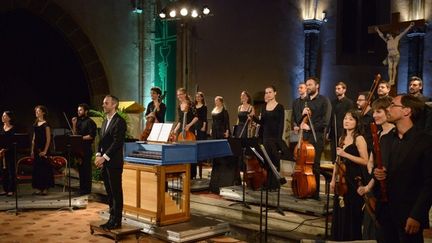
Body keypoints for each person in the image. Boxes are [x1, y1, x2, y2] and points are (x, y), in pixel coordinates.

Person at [374, 94, 432, 243]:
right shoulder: (385, 139)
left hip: (409, 216)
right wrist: (378, 174)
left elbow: (430, 183)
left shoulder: (425, 141)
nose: (388, 108)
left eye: (393, 105)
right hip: (386, 214)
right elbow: (383, 170)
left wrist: (416, 215)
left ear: (407, 111)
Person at [357, 96, 394, 240]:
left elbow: (386, 165)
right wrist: (370, 165)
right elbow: (373, 158)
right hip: (378, 186)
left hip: (390, 187)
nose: (374, 115)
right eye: (373, 112)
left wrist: (368, 186)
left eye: (379, 112)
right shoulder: (378, 133)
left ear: (388, 112)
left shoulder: (394, 133)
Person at [330, 110, 369, 241]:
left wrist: (345, 154)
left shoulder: (359, 138)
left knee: (351, 214)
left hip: (353, 181)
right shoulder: (341, 138)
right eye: (345, 118)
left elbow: (365, 160)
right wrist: (332, 179)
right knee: (340, 213)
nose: (347, 121)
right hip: (341, 180)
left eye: (351, 119)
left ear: (357, 122)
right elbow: (337, 161)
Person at [95, 95, 127, 230]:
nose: (103, 105)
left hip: (114, 162)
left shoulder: (119, 121)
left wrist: (105, 157)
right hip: (105, 161)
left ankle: (117, 221)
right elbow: (101, 140)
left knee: (116, 192)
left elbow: (117, 143)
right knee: (109, 192)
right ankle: (111, 219)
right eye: (103, 103)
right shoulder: (105, 121)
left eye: (106, 103)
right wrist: (98, 154)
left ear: (114, 105)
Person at [252, 86, 285, 191]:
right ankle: (267, 184)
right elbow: (262, 123)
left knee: (275, 161)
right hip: (265, 137)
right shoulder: (263, 107)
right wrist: (253, 118)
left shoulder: (280, 107)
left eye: (270, 92)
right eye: (266, 92)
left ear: (275, 93)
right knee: (267, 161)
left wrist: (278, 141)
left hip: (275, 138)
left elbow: (281, 125)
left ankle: (275, 185)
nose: (268, 94)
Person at [301, 77, 329, 199]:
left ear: (317, 86)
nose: (308, 87)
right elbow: (299, 120)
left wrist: (309, 127)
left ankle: (314, 192)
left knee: (314, 165)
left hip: (317, 136)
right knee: (304, 164)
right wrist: (302, 118)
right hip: (305, 136)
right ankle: (305, 188)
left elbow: (325, 121)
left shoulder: (324, 100)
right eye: (306, 85)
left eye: (310, 84)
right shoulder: (305, 101)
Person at [209, 96, 234, 193]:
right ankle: (215, 162)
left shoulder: (224, 111)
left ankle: (221, 163)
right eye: (215, 100)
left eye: (217, 101)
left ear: (221, 101)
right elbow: (213, 121)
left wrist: (227, 131)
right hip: (214, 130)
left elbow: (227, 122)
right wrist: (211, 129)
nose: (215, 102)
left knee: (220, 147)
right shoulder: (214, 109)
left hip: (221, 130)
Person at [71, 103, 97, 195]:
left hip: (86, 149)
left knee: (86, 170)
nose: (78, 112)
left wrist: (80, 138)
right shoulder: (78, 121)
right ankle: (81, 189)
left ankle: (87, 190)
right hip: (79, 149)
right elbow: (75, 135)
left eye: (80, 110)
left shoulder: (90, 122)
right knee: (80, 170)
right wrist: (74, 124)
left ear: (86, 111)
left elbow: (91, 136)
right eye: (78, 110)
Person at [327, 81, 355, 162]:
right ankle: (334, 168)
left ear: (344, 90)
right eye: (336, 89)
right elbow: (330, 117)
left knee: (343, 150)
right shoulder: (332, 102)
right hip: (333, 130)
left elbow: (350, 117)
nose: (336, 90)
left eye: (339, 89)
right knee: (333, 151)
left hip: (343, 130)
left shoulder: (349, 103)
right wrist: (328, 131)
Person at [31, 105, 53, 196]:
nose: (36, 112)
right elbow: (34, 138)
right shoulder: (35, 123)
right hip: (36, 149)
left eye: (38, 111)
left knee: (45, 168)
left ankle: (45, 188)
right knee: (37, 168)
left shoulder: (46, 124)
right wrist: (32, 150)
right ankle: (39, 188)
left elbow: (48, 139)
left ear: (43, 112)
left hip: (44, 149)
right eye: (36, 111)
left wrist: (45, 151)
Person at [0, 111, 16, 196]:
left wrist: (5, 149)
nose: (2, 117)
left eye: (5, 116)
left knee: (11, 171)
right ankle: (5, 189)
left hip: (10, 152)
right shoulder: (1, 128)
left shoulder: (13, 129)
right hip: (1, 153)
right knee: (3, 171)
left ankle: (11, 189)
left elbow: (13, 142)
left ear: (9, 118)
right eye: (2, 116)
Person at [193, 91, 207, 179]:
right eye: (196, 97)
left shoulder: (204, 107)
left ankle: (201, 162)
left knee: (200, 145)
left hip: (201, 125)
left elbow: (205, 118)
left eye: (199, 97)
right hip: (194, 125)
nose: (197, 98)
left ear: (202, 98)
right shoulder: (194, 106)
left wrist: (204, 126)